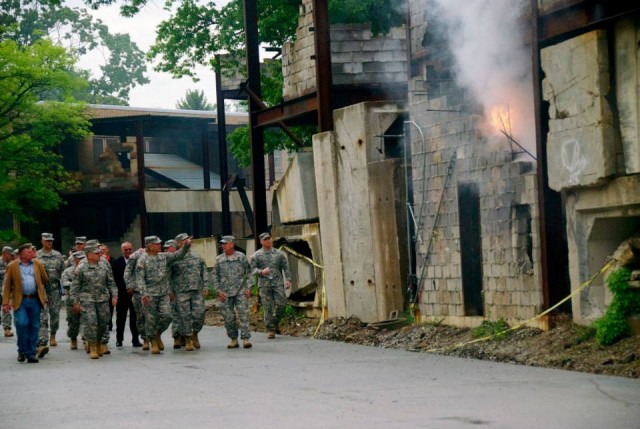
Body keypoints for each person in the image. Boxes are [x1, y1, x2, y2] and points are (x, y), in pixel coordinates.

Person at [135, 235, 191, 354]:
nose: (160, 245)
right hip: (150, 295)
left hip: (163, 293)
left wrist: (186, 245)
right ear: (150, 246)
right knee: (151, 319)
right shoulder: (142, 260)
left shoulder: (163, 257)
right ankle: (153, 342)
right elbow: (139, 279)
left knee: (168, 316)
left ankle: (157, 333)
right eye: (157, 244)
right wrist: (144, 294)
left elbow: (178, 255)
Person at [2, 243, 49, 363]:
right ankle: (22, 350)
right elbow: (7, 286)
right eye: (29, 252)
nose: (32, 253)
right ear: (22, 254)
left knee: (34, 326)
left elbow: (45, 279)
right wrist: (5, 302)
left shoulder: (37, 264)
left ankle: (31, 353)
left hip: (35, 299)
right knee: (22, 324)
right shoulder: (12, 266)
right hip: (20, 300)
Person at [70, 244, 117, 359]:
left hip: (103, 299)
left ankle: (99, 342)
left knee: (103, 322)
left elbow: (111, 282)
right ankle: (93, 346)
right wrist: (76, 302)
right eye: (96, 253)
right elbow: (75, 286)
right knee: (91, 323)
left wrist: (114, 296)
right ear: (89, 255)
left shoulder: (104, 265)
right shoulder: (81, 268)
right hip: (87, 299)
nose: (99, 254)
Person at [250, 232, 292, 339]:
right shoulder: (256, 255)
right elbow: (252, 270)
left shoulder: (279, 254)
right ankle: (271, 330)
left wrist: (288, 280)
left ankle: (274, 321)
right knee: (268, 307)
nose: (267, 241)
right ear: (261, 241)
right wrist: (261, 271)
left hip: (277, 283)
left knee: (282, 304)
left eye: (269, 238)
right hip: (264, 285)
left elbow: (285, 267)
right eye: (265, 239)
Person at [170, 233, 209, 351]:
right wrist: (170, 290)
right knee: (184, 317)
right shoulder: (175, 257)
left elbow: (204, 270)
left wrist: (206, 286)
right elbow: (168, 275)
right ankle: (187, 340)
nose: (188, 242)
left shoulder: (196, 255)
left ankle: (195, 333)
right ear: (179, 243)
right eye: (185, 240)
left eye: (188, 239)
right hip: (181, 291)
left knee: (200, 314)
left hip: (196, 290)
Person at [213, 235, 252, 349]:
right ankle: (233, 339)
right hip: (225, 293)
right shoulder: (219, 259)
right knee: (228, 318)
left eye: (225, 243)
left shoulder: (241, 257)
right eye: (222, 244)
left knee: (244, 315)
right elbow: (215, 276)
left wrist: (248, 287)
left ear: (232, 244)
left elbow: (249, 272)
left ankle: (246, 339)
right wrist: (218, 291)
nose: (223, 246)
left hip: (240, 291)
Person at [35, 232, 65, 357]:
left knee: (54, 314)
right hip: (41, 289)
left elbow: (63, 272)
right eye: (47, 241)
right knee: (42, 315)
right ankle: (43, 340)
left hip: (54, 289)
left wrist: (63, 288)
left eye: (51, 241)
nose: (49, 242)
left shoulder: (58, 255)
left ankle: (53, 335)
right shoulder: (36, 256)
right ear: (42, 241)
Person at [112, 242, 141, 347]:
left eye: (130, 249)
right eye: (126, 249)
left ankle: (135, 340)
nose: (128, 251)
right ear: (122, 250)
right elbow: (114, 279)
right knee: (120, 318)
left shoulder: (137, 260)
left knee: (135, 318)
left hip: (135, 294)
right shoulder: (116, 262)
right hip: (122, 294)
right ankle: (119, 339)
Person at [60, 251, 85, 350]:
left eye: (83, 258)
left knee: (86, 321)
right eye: (79, 258)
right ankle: (73, 339)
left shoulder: (86, 269)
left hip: (85, 300)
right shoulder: (68, 271)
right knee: (73, 322)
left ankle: (87, 340)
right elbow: (64, 283)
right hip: (71, 300)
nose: (81, 260)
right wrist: (75, 284)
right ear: (75, 260)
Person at [0, 246, 15, 337]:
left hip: (6, 291)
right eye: (10, 254)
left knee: (6, 309)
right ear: (5, 253)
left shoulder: (11, 263)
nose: (11, 256)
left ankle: (7, 329)